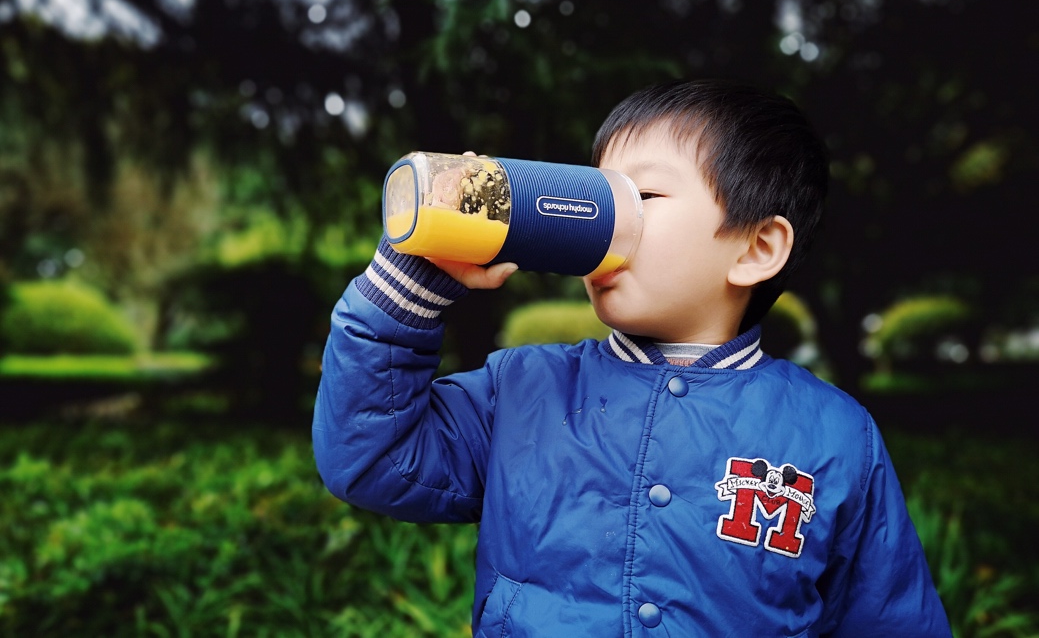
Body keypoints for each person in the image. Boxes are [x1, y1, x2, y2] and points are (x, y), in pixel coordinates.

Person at [312, 79, 952, 636]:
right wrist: (408, 285)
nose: (603, 225)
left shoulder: (833, 434)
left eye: (642, 198)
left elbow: (887, 618)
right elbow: (372, 459)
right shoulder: (524, 387)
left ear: (757, 248)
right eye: (599, 196)